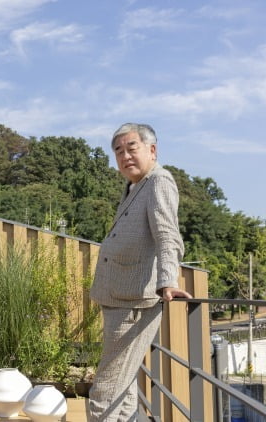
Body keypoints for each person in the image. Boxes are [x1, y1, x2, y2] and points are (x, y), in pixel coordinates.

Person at [88, 123, 192, 421]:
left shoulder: (159, 182)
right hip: (119, 297)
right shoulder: (135, 186)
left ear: (152, 150)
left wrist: (168, 280)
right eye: (118, 151)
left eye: (131, 148)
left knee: (105, 389)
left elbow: (167, 235)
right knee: (124, 384)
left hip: (134, 302)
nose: (125, 156)